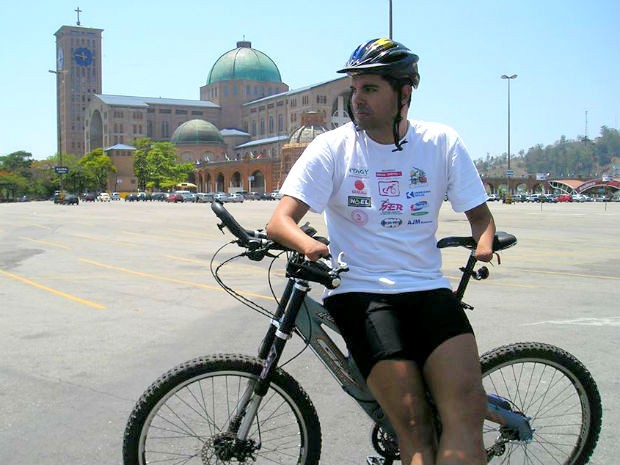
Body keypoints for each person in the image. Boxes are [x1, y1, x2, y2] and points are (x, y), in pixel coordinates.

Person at [266, 38, 496, 465]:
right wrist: (310, 244)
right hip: (361, 292)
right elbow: (280, 221)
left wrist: (483, 242)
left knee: (467, 412)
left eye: (370, 89)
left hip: (428, 290)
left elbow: (480, 216)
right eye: (355, 89)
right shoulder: (332, 148)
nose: (357, 99)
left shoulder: (441, 142)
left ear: (404, 93)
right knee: (413, 425)